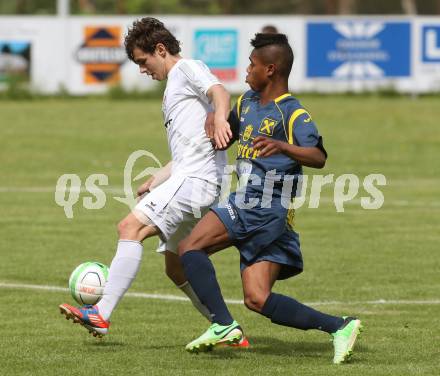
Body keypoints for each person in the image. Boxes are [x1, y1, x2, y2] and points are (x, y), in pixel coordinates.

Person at [58, 17, 246, 344]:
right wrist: (159, 176)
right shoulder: (173, 88)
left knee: (129, 228)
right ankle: (227, 327)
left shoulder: (186, 69)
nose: (143, 70)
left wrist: (219, 117)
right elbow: (189, 149)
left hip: (196, 181)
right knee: (176, 267)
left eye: (143, 61)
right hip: (195, 178)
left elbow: (220, 91)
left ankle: (101, 314)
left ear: (161, 49)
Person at [178, 33, 362, 364]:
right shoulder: (246, 102)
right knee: (257, 299)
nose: (247, 70)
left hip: (259, 205)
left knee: (190, 248)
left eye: (253, 65)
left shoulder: (292, 113)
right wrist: (215, 121)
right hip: (265, 214)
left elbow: (318, 157)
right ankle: (341, 327)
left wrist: (282, 146)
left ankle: (222, 326)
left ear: (271, 70)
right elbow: (226, 134)